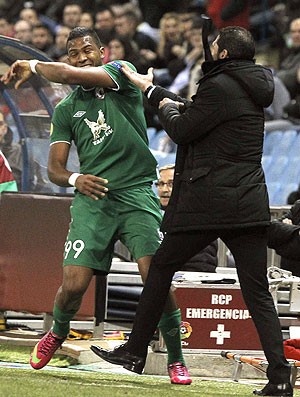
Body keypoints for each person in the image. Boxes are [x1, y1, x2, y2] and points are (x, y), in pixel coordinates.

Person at [89, 26, 293, 396]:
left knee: (162, 265)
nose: (209, 49)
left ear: (224, 54)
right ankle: (280, 376)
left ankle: (134, 352)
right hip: (247, 202)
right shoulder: (250, 86)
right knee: (257, 292)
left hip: (210, 201)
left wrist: (161, 104)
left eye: (214, 46)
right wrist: (149, 88)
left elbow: (182, 129)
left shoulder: (219, 85)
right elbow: (196, 111)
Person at [1, 27, 191, 385]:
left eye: (87, 50)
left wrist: (32, 64)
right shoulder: (66, 109)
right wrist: (75, 179)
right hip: (93, 200)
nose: (81, 57)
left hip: (136, 193)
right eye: (74, 53)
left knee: (156, 277)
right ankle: (57, 332)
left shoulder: (121, 72)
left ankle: (176, 359)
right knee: (74, 284)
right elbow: (56, 169)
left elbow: (68, 75)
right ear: (67, 56)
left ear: (102, 53)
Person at [157, 164, 218, 272]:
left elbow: (200, 267)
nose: (164, 189)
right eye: (160, 184)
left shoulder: (198, 221)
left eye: (171, 184)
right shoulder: (154, 217)